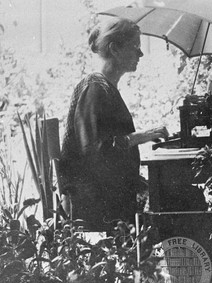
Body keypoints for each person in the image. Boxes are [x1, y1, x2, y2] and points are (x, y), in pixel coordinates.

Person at [59, 17, 168, 232]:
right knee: (171, 204)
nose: (140, 54)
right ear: (115, 49)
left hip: (109, 194)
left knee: (170, 196)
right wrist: (142, 136)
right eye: (135, 47)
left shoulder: (106, 87)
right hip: (94, 201)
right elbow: (94, 151)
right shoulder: (94, 88)